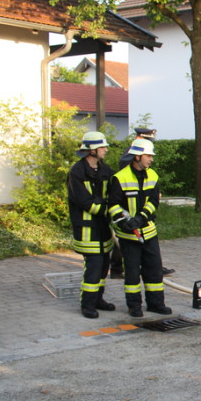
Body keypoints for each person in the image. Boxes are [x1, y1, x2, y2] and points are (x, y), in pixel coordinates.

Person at [107, 138, 172, 317]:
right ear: (137, 157)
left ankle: (156, 304)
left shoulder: (153, 175)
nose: (151, 159)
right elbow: (113, 205)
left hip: (149, 232)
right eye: (148, 156)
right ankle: (134, 306)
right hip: (129, 236)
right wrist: (124, 221)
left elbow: (154, 201)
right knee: (132, 272)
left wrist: (141, 218)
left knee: (154, 270)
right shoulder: (120, 178)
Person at [110, 127, 175, 278]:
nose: (151, 159)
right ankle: (117, 268)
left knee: (152, 267)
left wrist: (143, 214)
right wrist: (125, 220)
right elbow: (117, 199)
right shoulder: (127, 161)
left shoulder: (150, 171)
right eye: (148, 140)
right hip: (129, 220)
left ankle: (119, 268)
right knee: (129, 260)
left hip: (145, 225)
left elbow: (151, 197)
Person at [67, 132, 117, 319]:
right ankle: (87, 305)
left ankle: (98, 299)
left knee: (104, 266)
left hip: (103, 227)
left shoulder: (105, 169)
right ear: (92, 150)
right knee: (94, 267)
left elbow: (114, 191)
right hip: (87, 229)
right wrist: (106, 208)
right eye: (102, 147)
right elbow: (82, 200)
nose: (106, 150)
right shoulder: (77, 171)